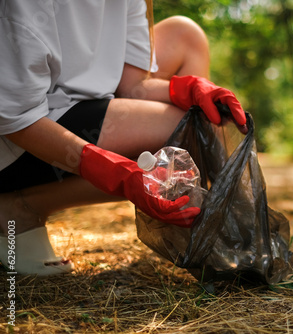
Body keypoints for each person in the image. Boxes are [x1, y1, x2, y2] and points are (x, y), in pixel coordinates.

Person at [0, 0, 248, 276]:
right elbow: (14, 117)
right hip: (18, 137)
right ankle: (18, 206)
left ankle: (204, 221)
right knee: (186, 130)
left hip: (82, 106)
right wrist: (117, 174)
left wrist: (188, 89)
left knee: (185, 35)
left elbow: (133, 86)